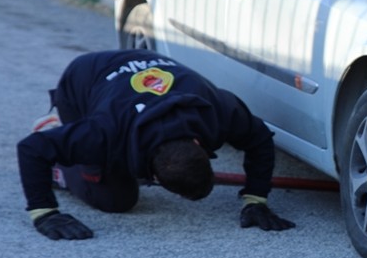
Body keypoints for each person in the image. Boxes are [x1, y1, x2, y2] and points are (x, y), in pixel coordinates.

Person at [17, 49, 295, 240]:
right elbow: (30, 148)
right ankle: (59, 155)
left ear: (200, 144)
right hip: (83, 79)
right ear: (153, 175)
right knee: (115, 199)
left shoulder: (217, 111)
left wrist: (256, 198)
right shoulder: (105, 133)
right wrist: (44, 213)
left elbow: (259, 139)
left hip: (147, 65)